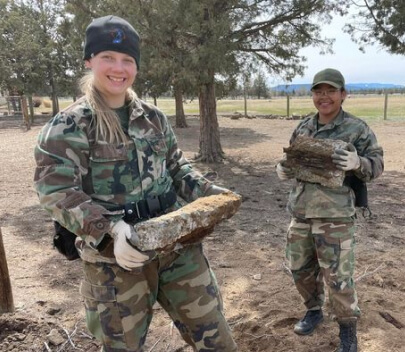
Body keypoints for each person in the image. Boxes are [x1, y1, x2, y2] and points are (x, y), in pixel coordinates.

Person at [34, 15, 238, 352]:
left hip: (176, 247)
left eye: (127, 60)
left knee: (216, 339)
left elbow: (176, 167)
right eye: (108, 58)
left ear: (137, 67)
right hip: (115, 262)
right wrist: (110, 229)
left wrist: (215, 196)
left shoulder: (153, 117)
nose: (119, 68)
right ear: (89, 61)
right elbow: (55, 191)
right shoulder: (70, 125)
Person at [276, 68, 384, 352]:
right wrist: (283, 169)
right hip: (300, 213)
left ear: (343, 94)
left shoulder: (357, 129)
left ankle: (348, 331)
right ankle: (313, 310)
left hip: (335, 217)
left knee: (338, 278)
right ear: (312, 95)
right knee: (299, 270)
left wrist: (358, 162)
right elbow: (292, 158)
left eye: (330, 91)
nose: (324, 97)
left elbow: (377, 165)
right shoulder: (303, 127)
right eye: (318, 91)